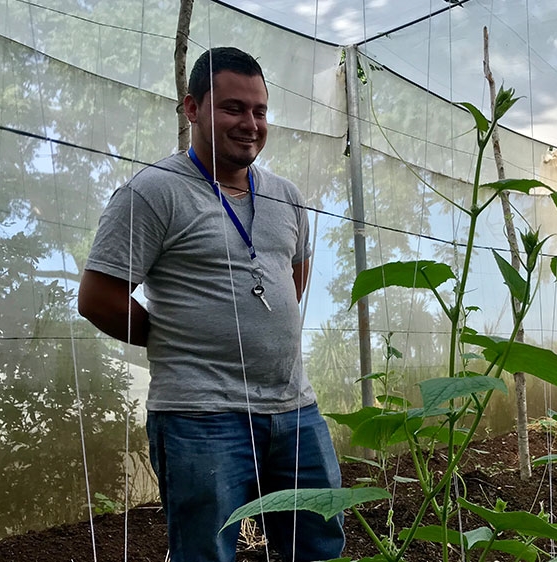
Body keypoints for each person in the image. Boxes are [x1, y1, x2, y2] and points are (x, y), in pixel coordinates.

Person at [78, 47, 345, 562]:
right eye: (232, 108)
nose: (250, 123)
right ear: (192, 108)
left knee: (317, 544)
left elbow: (294, 275)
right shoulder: (154, 192)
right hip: (199, 414)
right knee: (207, 552)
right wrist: (173, 334)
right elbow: (98, 297)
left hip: (294, 408)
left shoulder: (285, 195)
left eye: (259, 110)